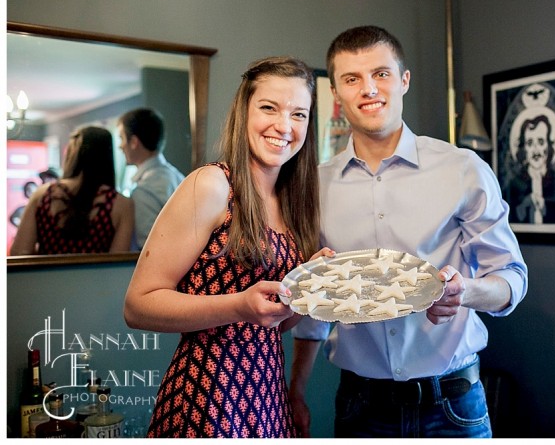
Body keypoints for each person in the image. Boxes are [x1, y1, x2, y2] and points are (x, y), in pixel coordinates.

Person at [288, 25, 528, 438]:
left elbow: (511, 279)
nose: (368, 89)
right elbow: (314, 310)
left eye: (380, 73)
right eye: (351, 79)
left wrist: (463, 291)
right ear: (336, 94)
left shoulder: (462, 168)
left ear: (403, 80)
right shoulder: (314, 185)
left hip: (453, 404)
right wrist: (295, 391)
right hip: (360, 406)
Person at [123, 56, 332, 438]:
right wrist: (237, 305)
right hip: (207, 396)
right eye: (269, 108)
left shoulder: (290, 202)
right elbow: (138, 305)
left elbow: (274, 323)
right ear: (244, 111)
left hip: (267, 395)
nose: (284, 125)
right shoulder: (212, 185)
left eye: (299, 114)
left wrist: (310, 287)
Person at [11, 125, 134, 255]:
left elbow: (19, 253)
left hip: (47, 275)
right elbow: (116, 264)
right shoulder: (121, 205)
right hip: (94, 276)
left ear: (71, 154)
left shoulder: (42, 195)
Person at [117, 107, 186, 250]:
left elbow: (148, 250)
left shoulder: (143, 191)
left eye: (122, 138)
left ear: (134, 142)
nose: (120, 146)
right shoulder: (178, 176)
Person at [505, 113, 555, 224]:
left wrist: (547, 208)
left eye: (541, 142)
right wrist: (522, 208)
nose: (536, 150)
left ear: (549, 146)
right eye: (530, 143)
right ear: (523, 149)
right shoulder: (514, 185)